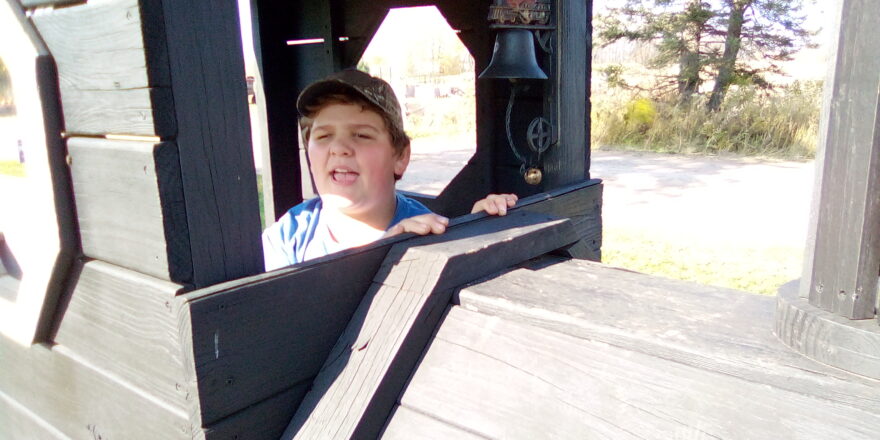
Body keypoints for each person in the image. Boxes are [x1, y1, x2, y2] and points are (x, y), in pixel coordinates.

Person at [262, 70, 517, 271]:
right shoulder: (287, 238)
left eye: (361, 135)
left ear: (400, 156)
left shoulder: (425, 235)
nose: (339, 148)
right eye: (324, 135)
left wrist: (476, 233)